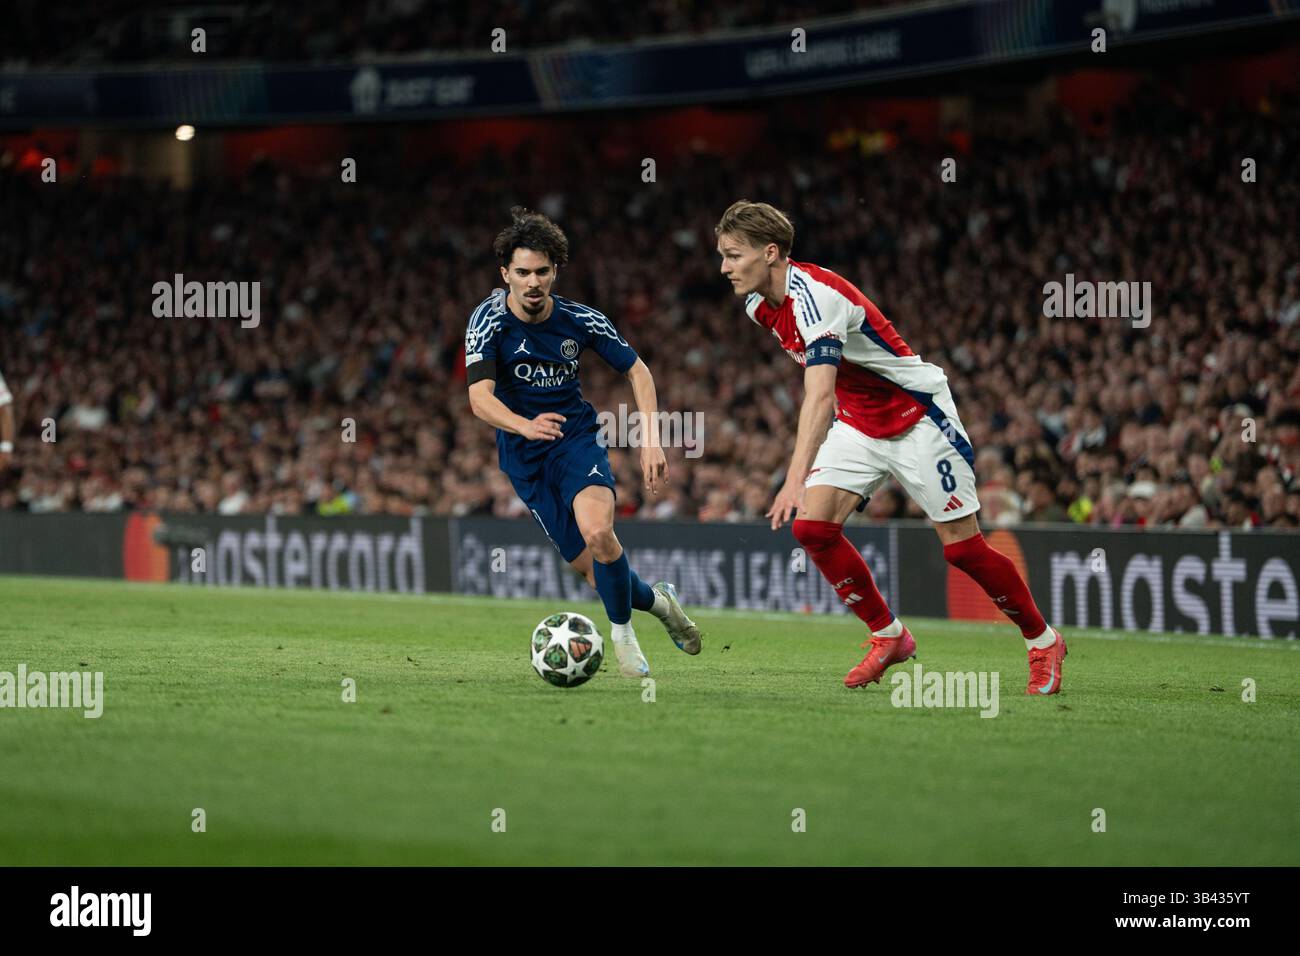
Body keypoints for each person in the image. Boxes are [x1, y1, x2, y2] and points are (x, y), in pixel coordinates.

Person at [715, 200, 1066, 695]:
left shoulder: (817, 298)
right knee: (813, 529)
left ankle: (1043, 641)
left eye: (733, 256)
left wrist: (794, 477)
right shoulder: (757, 306)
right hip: (858, 422)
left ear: (770, 253)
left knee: (963, 550)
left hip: (917, 416)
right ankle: (889, 635)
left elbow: (817, 394)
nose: (724, 268)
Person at [466, 207, 701, 676]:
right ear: (505, 274)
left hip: (576, 440)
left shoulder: (582, 321)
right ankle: (660, 604)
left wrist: (650, 439)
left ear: (556, 271)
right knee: (597, 572)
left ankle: (623, 635)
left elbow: (637, 369)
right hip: (523, 457)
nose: (533, 282)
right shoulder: (487, 323)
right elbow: (478, 399)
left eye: (542, 272)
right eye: (523, 273)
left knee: (599, 534)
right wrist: (524, 425)